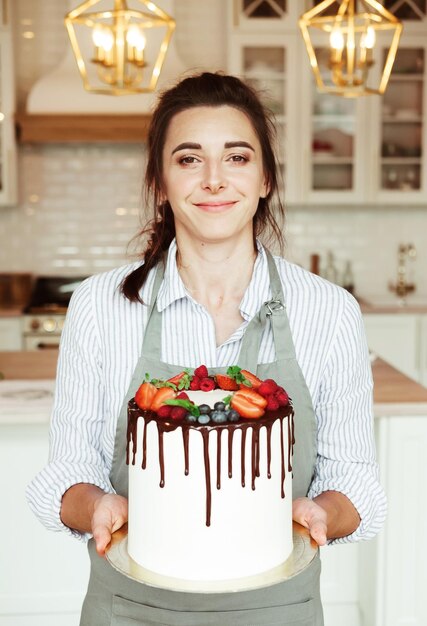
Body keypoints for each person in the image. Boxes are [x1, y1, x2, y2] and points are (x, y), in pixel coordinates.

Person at [27, 71, 386, 625]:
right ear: (161, 183)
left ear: (266, 178)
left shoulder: (329, 310)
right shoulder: (99, 305)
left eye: (238, 158)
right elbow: (70, 467)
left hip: (278, 610)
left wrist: (320, 512)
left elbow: (353, 479)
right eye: (189, 159)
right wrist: (97, 506)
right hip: (129, 608)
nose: (214, 180)